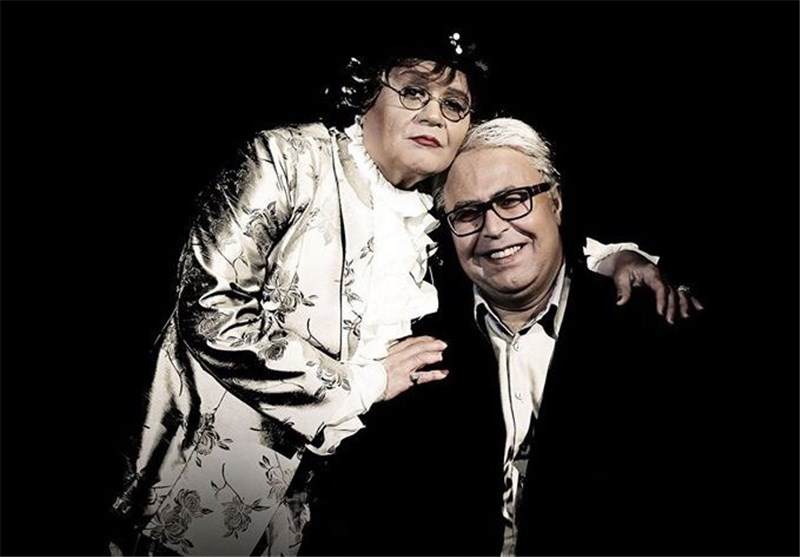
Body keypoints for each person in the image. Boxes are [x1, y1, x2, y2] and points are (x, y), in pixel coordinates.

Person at [108, 32, 697, 556]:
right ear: (365, 93)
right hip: (198, 492)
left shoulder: (429, 217)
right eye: (414, 92)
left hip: (315, 519)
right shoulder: (289, 160)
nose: (434, 114)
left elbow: (513, 227)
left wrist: (613, 256)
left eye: (454, 105)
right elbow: (211, 310)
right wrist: (362, 384)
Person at [300, 117, 722, 557]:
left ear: (555, 202)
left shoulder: (653, 328)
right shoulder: (405, 345)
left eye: (512, 199)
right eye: (468, 213)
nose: (494, 228)